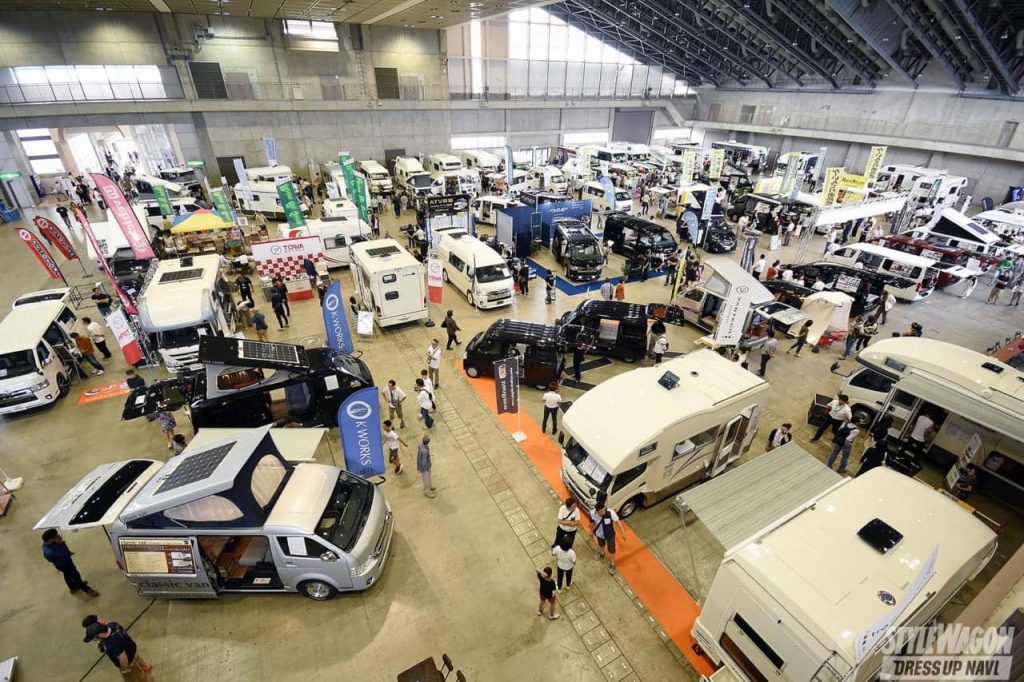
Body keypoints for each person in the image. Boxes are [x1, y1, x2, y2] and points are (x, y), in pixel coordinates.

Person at [41, 529, 99, 597]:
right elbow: (65, 552)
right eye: (56, 536)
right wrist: (61, 543)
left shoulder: (48, 544)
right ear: (50, 539)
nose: (58, 536)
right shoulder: (50, 552)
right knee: (76, 576)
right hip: (64, 564)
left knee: (67, 575)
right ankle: (86, 589)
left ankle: (73, 588)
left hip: (62, 562)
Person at [83, 621, 152, 677]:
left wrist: (124, 669)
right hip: (131, 648)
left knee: (136, 675)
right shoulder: (113, 624)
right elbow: (104, 623)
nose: (93, 640)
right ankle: (146, 666)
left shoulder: (112, 644)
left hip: (128, 661)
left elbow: (123, 658)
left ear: (100, 634)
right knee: (137, 658)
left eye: (93, 638)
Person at [591, 499, 626, 575]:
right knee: (601, 545)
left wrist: (623, 532)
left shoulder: (610, 512)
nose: (603, 512)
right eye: (601, 511)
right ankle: (602, 553)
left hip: (610, 534)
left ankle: (612, 563)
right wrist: (592, 531)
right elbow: (592, 522)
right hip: (599, 534)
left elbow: (618, 522)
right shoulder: (592, 513)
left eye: (604, 510)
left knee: (611, 550)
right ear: (597, 511)